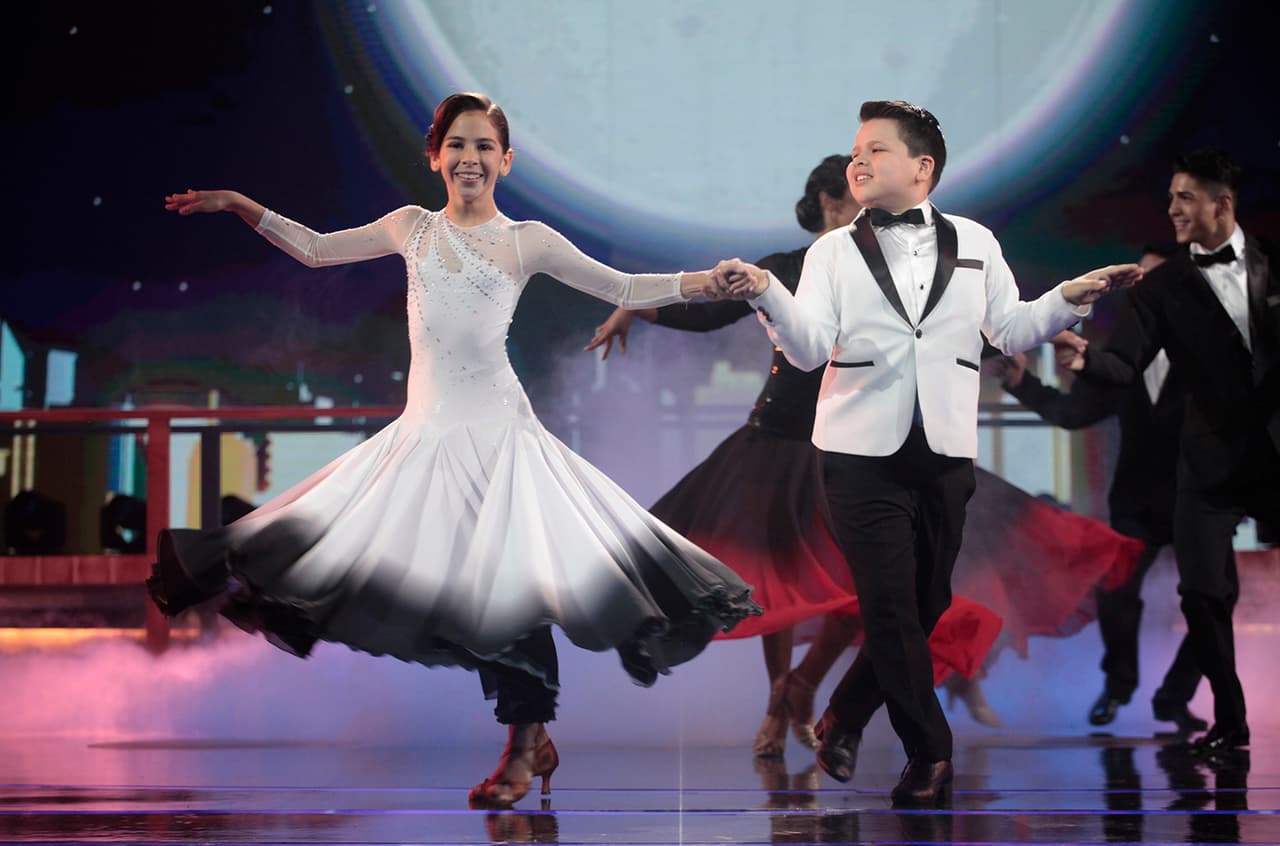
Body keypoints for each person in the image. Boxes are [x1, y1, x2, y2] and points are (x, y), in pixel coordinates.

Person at [147, 92, 761, 807]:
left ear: (505, 160)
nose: (470, 158)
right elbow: (315, 249)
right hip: (423, 439)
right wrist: (239, 204)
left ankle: (522, 748)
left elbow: (621, 285)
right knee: (409, 587)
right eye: (457, 146)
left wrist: (703, 282)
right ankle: (532, 735)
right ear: (434, 157)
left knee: (505, 598)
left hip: (501, 439)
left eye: (484, 147)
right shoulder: (410, 227)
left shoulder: (527, 239)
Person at [714, 100, 1142, 803]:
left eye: (874, 150)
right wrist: (766, 293)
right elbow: (810, 346)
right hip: (856, 453)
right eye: (855, 150)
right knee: (886, 602)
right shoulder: (830, 252)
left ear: (923, 167)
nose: (858, 160)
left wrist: (1069, 297)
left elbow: (1010, 328)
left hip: (944, 449)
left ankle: (846, 713)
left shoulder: (977, 240)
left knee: (926, 602)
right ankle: (932, 753)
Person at [585, 155, 1005, 758]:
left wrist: (1020, 338)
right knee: (776, 580)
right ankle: (777, 701)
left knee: (864, 584)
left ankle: (803, 685)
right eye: (858, 195)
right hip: (775, 448)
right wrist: (635, 305)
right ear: (832, 203)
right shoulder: (784, 267)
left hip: (856, 445)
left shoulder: (886, 269)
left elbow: (939, 335)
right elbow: (708, 309)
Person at [1079, 148, 1279, 756]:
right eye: (1169, 197)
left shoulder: (1274, 265)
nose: (1172, 210)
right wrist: (1084, 356)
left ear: (1223, 204)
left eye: (1185, 197)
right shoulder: (1160, 289)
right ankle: (1230, 719)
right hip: (1206, 465)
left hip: (1274, 455)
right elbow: (1124, 365)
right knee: (1202, 593)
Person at [990, 243, 1209, 734]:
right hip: (1138, 498)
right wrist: (1023, 383)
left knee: (1213, 598)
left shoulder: (1212, 352)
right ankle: (1118, 684)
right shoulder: (1117, 355)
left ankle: (1175, 697)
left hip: (1202, 500)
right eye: (1142, 285)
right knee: (1117, 591)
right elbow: (1073, 414)